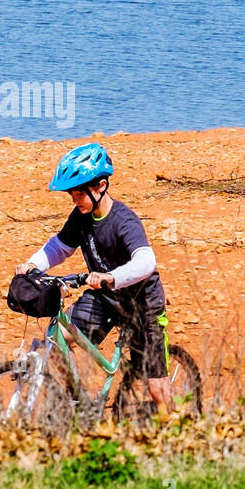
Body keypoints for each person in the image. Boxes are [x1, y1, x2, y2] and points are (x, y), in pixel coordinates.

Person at [14, 142, 174, 415]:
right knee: (54, 343)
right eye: (71, 194)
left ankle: (180, 433)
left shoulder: (124, 221)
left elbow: (146, 261)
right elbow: (59, 247)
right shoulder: (81, 216)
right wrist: (32, 264)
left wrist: (112, 277)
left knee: (156, 390)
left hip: (142, 305)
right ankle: (79, 406)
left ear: (100, 186)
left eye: (79, 193)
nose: (75, 199)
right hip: (103, 299)